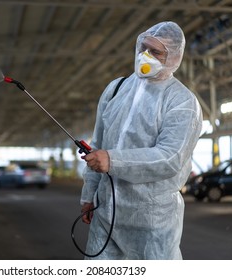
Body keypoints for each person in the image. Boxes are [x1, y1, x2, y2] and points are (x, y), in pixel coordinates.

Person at [80, 21, 203, 260]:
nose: (146, 56)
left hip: (151, 220)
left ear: (174, 58)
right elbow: (98, 145)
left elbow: (170, 157)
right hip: (106, 213)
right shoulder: (116, 89)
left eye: (156, 52)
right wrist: (88, 196)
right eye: (143, 48)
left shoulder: (181, 102)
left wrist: (113, 160)